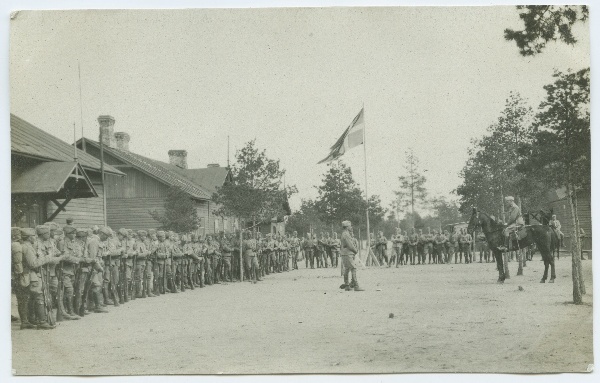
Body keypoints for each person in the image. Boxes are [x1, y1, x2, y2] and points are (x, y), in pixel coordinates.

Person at [12, 227, 35, 329]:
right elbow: (17, 263)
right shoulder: (16, 245)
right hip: (18, 275)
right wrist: (20, 274)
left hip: (14, 275)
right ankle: (24, 322)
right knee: (23, 298)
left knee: (23, 298)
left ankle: (25, 320)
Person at [339, 221, 364, 291]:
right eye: (350, 226)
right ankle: (356, 285)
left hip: (345, 253)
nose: (351, 227)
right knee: (353, 268)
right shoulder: (346, 234)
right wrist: (355, 250)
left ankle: (347, 285)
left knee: (347, 269)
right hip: (348, 253)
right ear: (347, 227)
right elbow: (350, 245)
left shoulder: (344, 234)